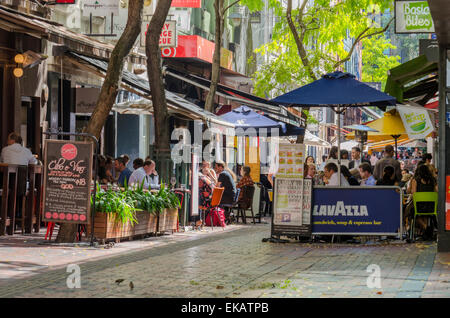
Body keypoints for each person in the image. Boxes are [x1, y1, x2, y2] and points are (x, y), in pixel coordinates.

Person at [404, 164, 438, 239]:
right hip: (431, 207)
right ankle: (425, 232)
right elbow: (436, 191)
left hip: (419, 207)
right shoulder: (433, 180)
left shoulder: (415, 180)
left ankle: (426, 228)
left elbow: (414, 193)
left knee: (413, 212)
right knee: (425, 214)